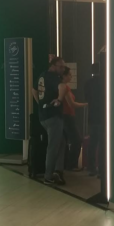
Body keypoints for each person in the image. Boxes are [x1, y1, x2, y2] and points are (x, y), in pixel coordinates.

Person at [37, 57, 66, 185]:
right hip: (53, 116)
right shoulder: (54, 77)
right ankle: (48, 176)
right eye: (61, 67)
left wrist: (40, 104)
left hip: (43, 116)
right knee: (53, 146)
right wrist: (59, 100)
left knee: (61, 142)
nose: (62, 69)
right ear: (53, 66)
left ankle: (57, 171)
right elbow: (63, 87)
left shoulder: (42, 76)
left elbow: (34, 90)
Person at [61, 66, 87, 171]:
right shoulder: (65, 88)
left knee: (67, 141)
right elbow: (71, 104)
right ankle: (71, 165)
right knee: (77, 140)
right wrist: (85, 104)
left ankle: (67, 164)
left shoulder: (64, 87)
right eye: (69, 75)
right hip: (67, 117)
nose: (71, 76)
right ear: (65, 76)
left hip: (66, 116)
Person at [84, 62, 104, 176]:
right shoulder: (104, 82)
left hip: (92, 116)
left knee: (93, 142)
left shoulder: (88, 83)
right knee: (102, 143)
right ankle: (102, 169)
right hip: (103, 116)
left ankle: (91, 167)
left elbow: (87, 98)